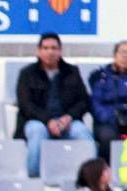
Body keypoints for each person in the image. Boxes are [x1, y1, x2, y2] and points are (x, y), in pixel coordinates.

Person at [15, 32, 93, 177]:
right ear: (38, 51)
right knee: (37, 132)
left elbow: (83, 101)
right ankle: (33, 178)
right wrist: (48, 120)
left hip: (67, 122)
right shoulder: (27, 73)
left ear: (60, 51)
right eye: (45, 48)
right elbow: (25, 105)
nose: (49, 52)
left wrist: (68, 118)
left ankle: (91, 178)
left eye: (53, 48)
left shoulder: (72, 72)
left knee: (82, 132)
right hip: (38, 121)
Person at [89, 41, 127, 160]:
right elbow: (95, 103)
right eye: (123, 52)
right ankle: (105, 171)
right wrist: (112, 117)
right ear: (115, 55)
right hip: (107, 121)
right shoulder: (101, 76)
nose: (126, 56)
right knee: (108, 137)